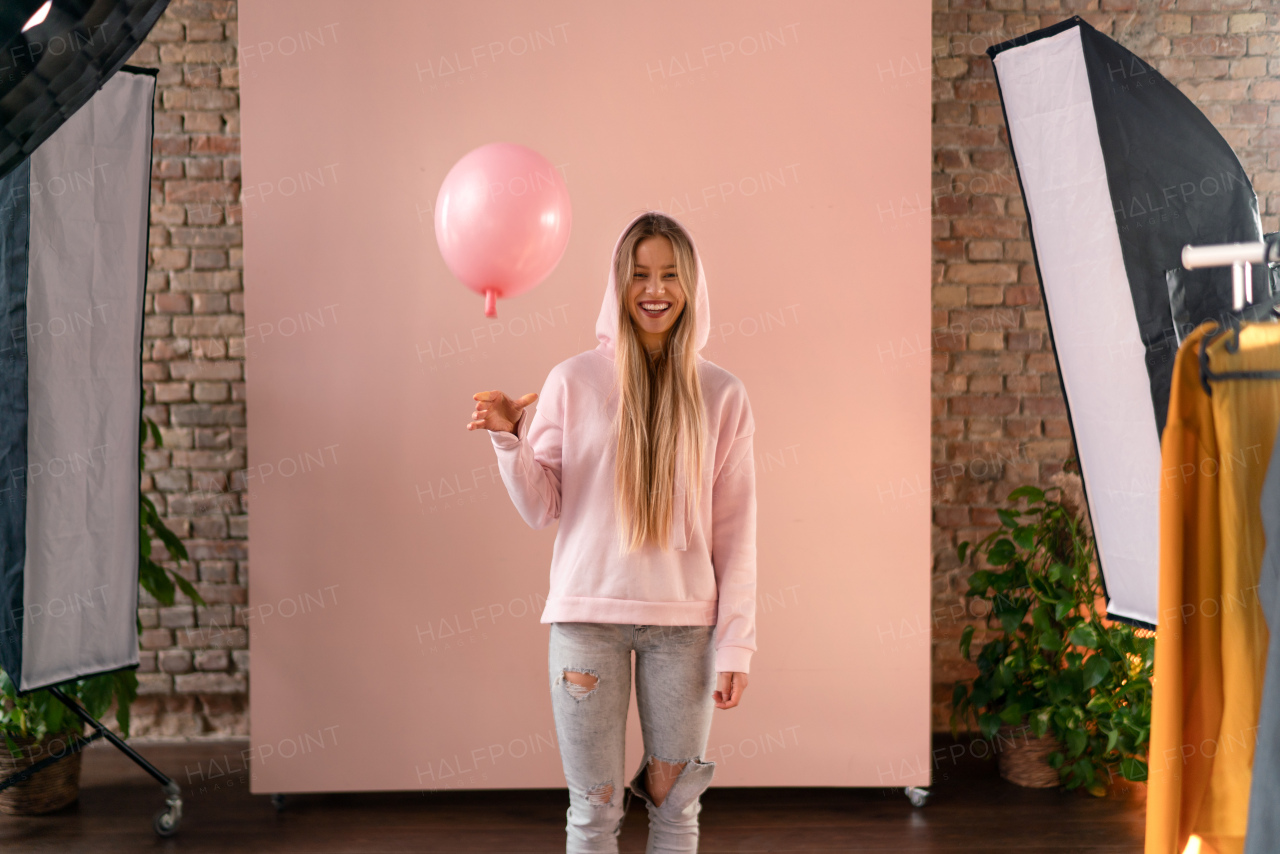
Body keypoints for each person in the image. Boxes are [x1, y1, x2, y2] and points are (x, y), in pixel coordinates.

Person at [466, 210, 757, 853]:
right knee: (592, 814)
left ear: (692, 286)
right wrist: (509, 438)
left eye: (670, 275)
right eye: (639, 275)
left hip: (686, 631)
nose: (655, 290)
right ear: (618, 285)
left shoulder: (722, 394)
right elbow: (542, 508)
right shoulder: (572, 380)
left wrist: (736, 645)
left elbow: (738, 534)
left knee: (676, 814)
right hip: (585, 627)